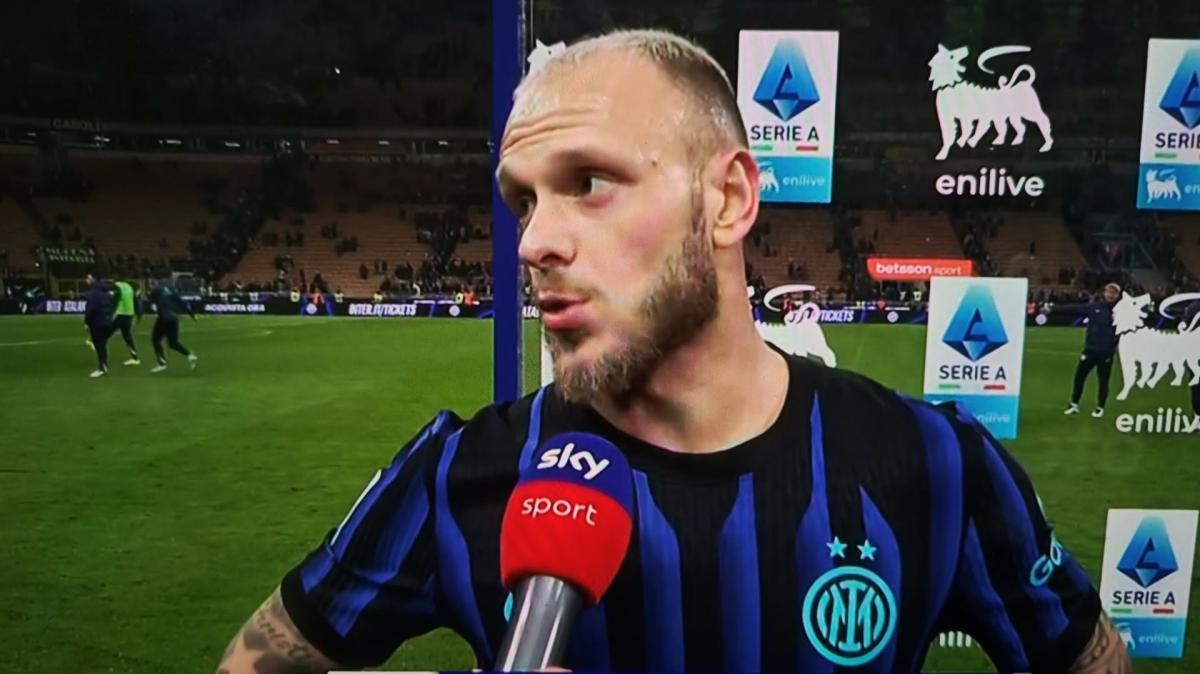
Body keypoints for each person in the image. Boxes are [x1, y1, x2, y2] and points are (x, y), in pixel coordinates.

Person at [217, 30, 1127, 674]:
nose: (533, 242)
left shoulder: (937, 466)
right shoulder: (457, 477)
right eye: (523, 200)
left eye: (588, 182)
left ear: (727, 201)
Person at [1060, 283, 1122, 418]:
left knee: (1103, 381)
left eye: (1114, 293)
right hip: (1090, 350)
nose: (1111, 295)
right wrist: (1054, 308)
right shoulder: (1095, 307)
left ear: (1118, 295)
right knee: (1079, 377)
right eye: (1109, 292)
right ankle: (1074, 404)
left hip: (1106, 353)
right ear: (1104, 292)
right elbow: (1074, 309)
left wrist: (1111, 345)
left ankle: (1100, 407)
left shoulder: (1121, 311)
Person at [148, 279, 198, 373]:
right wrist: (192, 314)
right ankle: (190, 355)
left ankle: (162, 363)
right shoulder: (171, 289)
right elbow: (180, 302)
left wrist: (154, 306)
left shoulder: (155, 290)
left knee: (155, 339)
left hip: (164, 318)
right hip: (175, 318)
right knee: (173, 343)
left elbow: (151, 303)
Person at [82, 273, 115, 379]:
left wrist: (87, 322)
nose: (86, 280)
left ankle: (102, 368)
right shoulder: (107, 293)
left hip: (97, 322)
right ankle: (103, 366)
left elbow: (90, 309)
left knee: (100, 345)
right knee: (102, 344)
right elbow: (112, 306)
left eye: (88, 278)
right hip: (108, 322)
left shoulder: (92, 293)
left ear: (93, 279)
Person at [112, 278, 142, 365]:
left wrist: (111, 313)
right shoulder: (129, 289)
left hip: (121, 315)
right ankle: (135, 358)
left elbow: (115, 300)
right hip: (128, 316)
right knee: (127, 337)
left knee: (107, 332)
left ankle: (94, 343)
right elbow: (136, 303)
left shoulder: (118, 286)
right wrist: (139, 315)